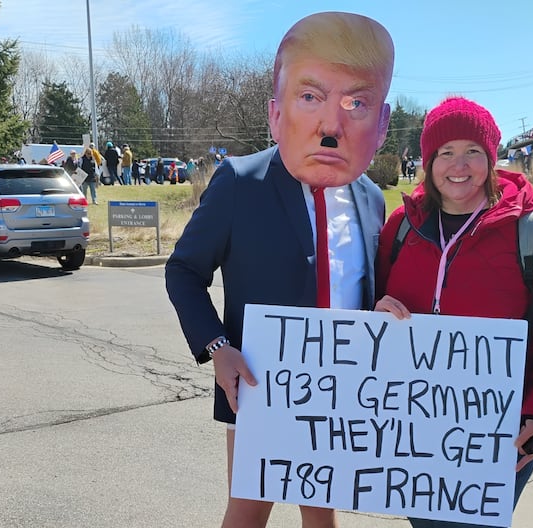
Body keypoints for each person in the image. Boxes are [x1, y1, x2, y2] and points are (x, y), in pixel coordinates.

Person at [165, 11, 394, 528]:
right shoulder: (240, 183)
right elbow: (183, 271)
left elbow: (366, 288)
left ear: (380, 126)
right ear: (275, 113)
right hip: (260, 388)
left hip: (342, 396)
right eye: (311, 97)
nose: (330, 124)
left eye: (356, 103)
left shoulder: (371, 199)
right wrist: (217, 348)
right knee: (248, 513)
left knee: (323, 516)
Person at [373, 96, 533, 525]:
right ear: (428, 161)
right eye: (445, 153)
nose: (459, 165)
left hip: (500, 433)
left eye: (473, 151)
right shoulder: (400, 227)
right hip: (412, 428)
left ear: (491, 159)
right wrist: (374, 314)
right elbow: (371, 310)